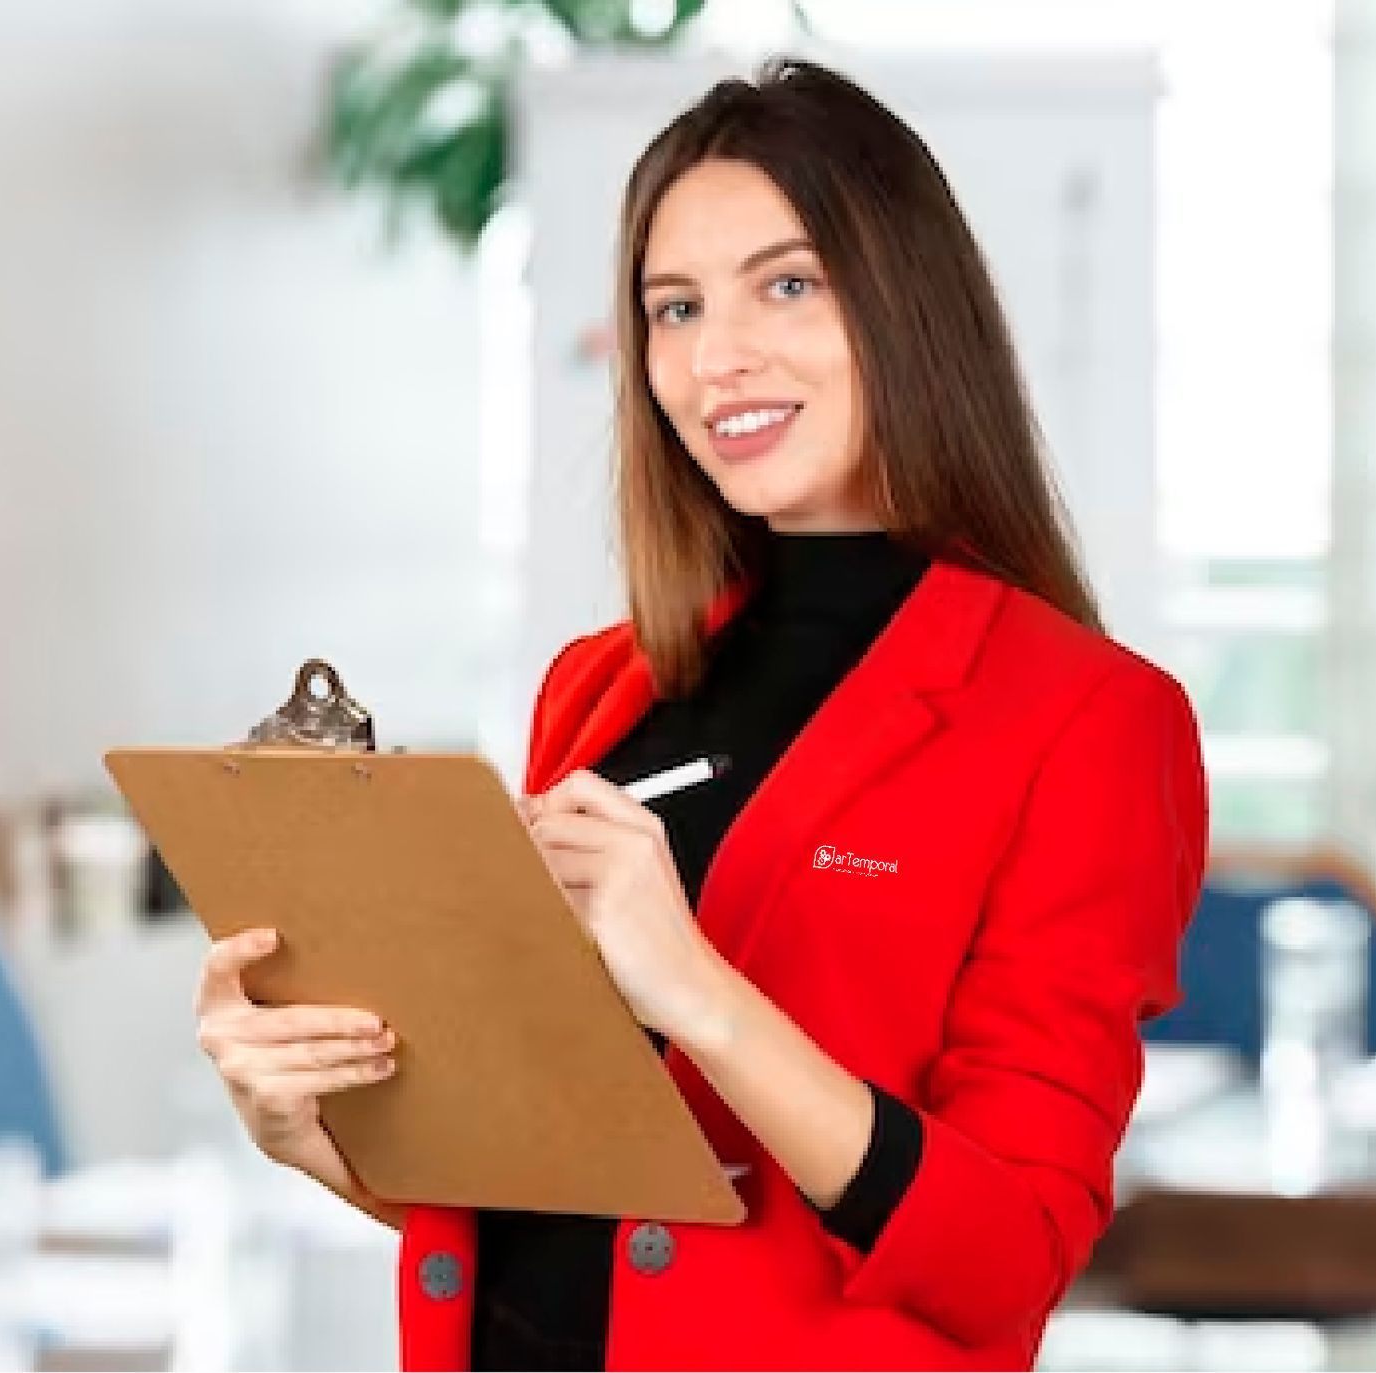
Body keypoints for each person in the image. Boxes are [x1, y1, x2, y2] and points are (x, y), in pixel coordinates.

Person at [193, 57, 1208, 1371]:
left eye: (786, 284)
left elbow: (1009, 1255)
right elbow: (563, 1193)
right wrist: (309, 1125)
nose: (716, 354)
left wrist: (697, 991)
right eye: (673, 307)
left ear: (910, 306)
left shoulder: (1091, 723)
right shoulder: (599, 686)